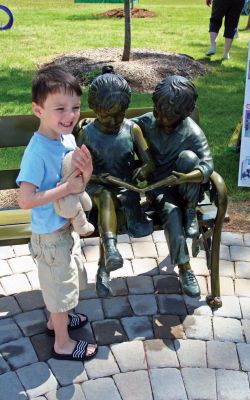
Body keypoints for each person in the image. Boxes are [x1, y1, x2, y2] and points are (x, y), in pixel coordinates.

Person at [16, 65, 98, 361]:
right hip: (49, 237)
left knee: (67, 279)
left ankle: (55, 321)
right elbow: (25, 200)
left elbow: (74, 183)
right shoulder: (37, 152)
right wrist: (65, 191)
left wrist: (85, 173)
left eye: (75, 107)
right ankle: (62, 342)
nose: (70, 115)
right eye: (60, 108)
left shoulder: (67, 140)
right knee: (60, 292)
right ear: (38, 110)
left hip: (65, 229)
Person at [132, 75, 214, 298]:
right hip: (159, 189)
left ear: (182, 114)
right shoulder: (146, 122)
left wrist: (187, 178)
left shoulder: (192, 132)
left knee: (189, 158)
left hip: (187, 191)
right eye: (156, 110)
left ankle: (191, 211)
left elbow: (207, 165)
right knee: (171, 211)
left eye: (165, 115)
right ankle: (185, 267)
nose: (158, 116)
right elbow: (122, 128)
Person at [75, 67, 154, 295]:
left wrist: (144, 169)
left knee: (112, 209)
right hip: (95, 190)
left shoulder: (132, 129)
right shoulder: (87, 133)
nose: (113, 121)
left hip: (125, 192)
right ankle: (109, 252)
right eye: (107, 115)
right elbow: (77, 170)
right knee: (106, 198)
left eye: (119, 115)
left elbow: (149, 162)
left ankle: (104, 268)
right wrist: (98, 176)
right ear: (96, 110)